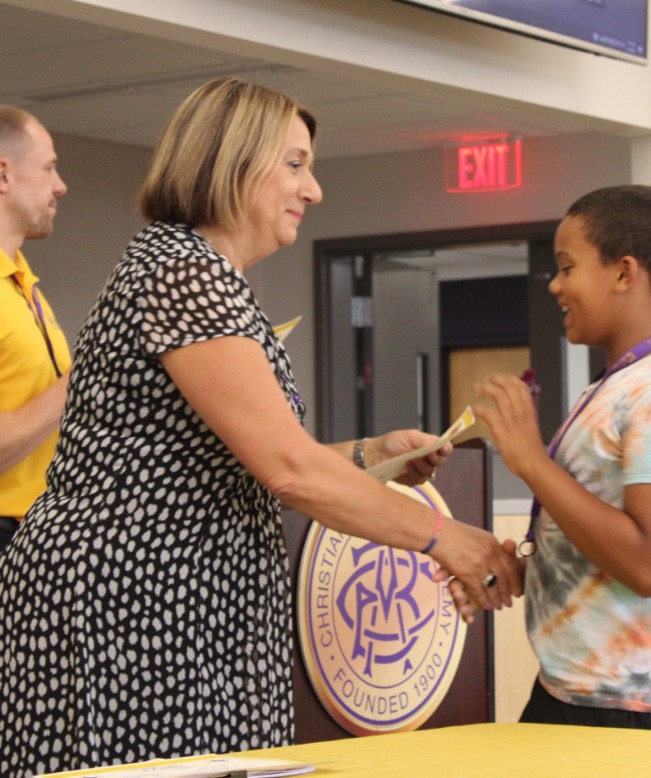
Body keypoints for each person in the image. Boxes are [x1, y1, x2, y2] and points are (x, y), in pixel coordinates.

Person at [0, 77, 519, 777]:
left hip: (176, 596)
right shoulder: (185, 275)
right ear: (230, 162)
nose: (314, 191)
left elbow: (225, 463)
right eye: (296, 165)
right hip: (134, 603)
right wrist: (443, 538)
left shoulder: (197, 273)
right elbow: (288, 469)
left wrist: (370, 453)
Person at [454, 185, 651, 733]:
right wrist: (515, 570)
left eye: (566, 267)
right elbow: (604, 544)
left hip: (641, 704)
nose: (555, 285)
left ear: (624, 273)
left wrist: (532, 462)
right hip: (575, 691)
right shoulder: (615, 386)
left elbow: (649, 565)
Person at [0, 106, 70, 550]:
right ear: (3, 175)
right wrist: (86, 377)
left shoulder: (24, 285)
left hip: (37, 533)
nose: (60, 185)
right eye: (48, 169)